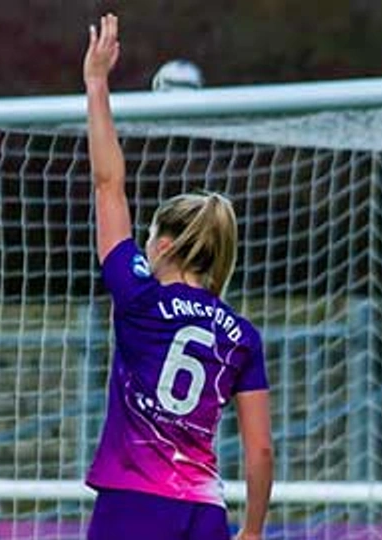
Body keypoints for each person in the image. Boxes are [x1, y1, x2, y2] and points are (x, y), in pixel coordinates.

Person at [82, 14, 273, 540]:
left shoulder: (139, 298)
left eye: (149, 238)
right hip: (203, 512)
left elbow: (107, 185)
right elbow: (259, 449)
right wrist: (253, 532)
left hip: (133, 505)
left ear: (163, 246)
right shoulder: (242, 335)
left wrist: (97, 83)